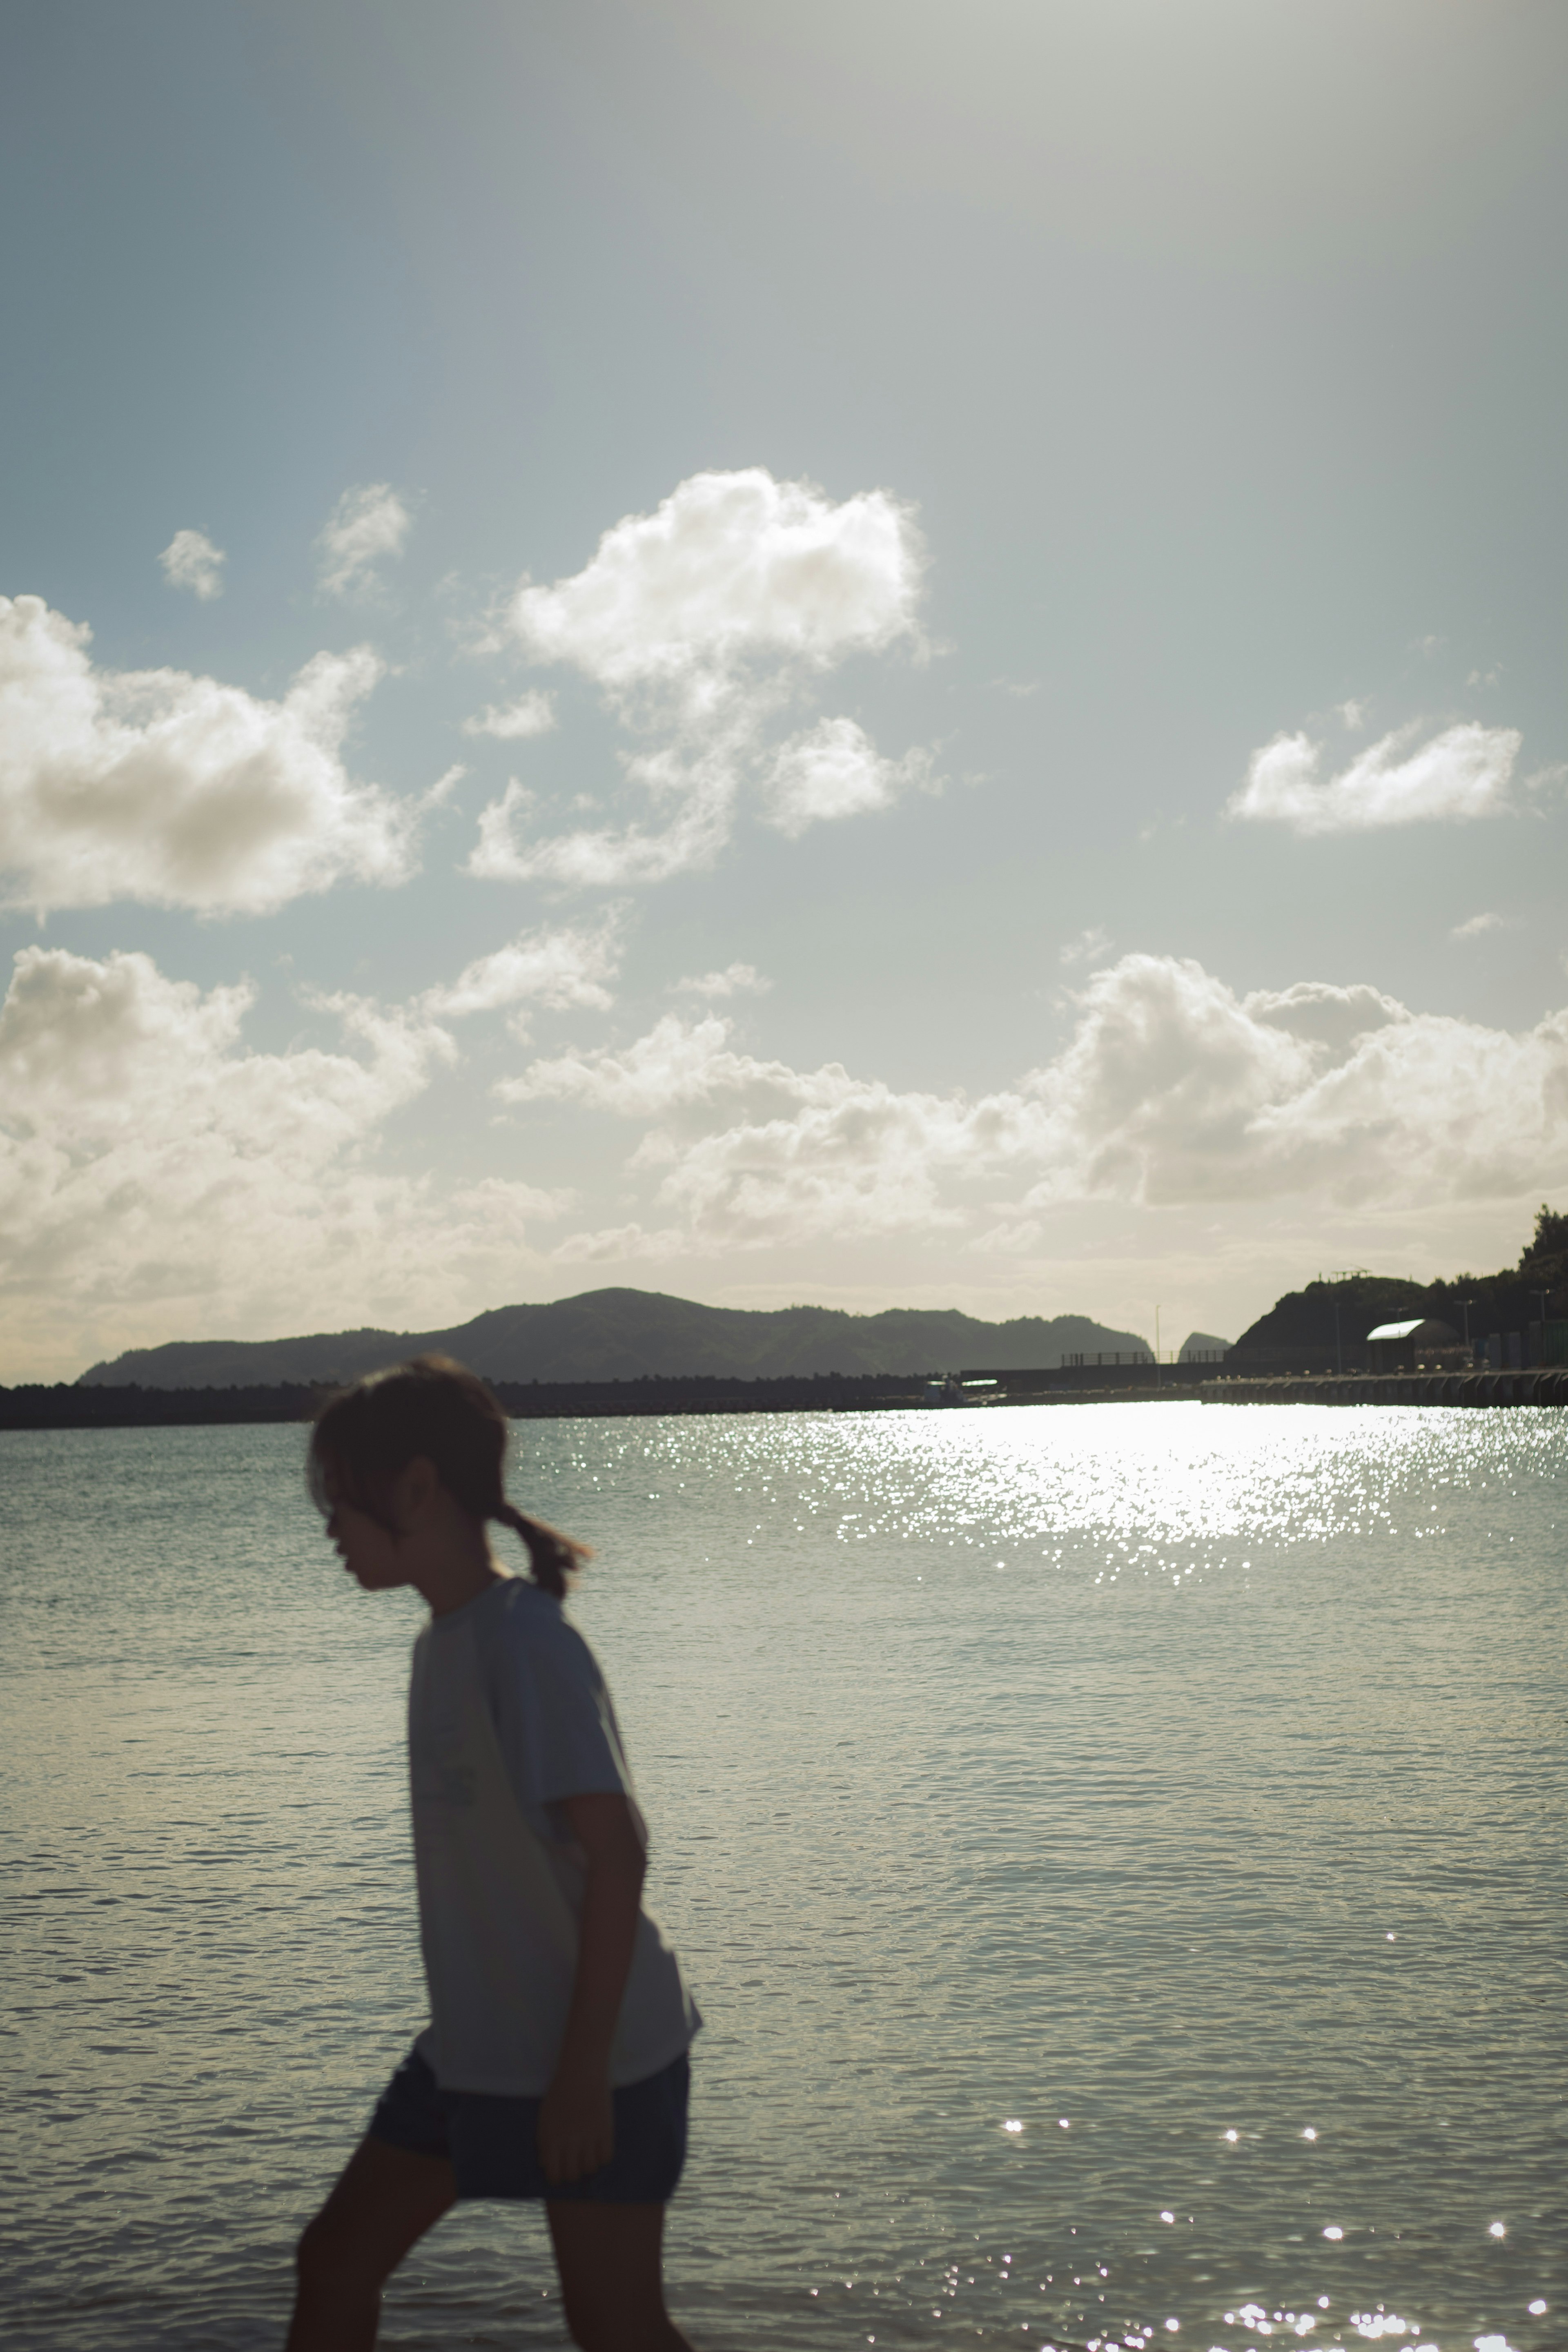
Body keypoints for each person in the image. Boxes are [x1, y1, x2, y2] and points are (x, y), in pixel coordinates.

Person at [285, 1355, 702, 2352]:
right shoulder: (445, 1642)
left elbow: (620, 1856)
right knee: (335, 2262)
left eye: (340, 1495)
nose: (329, 1523)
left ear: (417, 1487)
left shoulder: (526, 1644)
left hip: (598, 2062)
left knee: (619, 2331)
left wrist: (581, 2076)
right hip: (477, 2056)